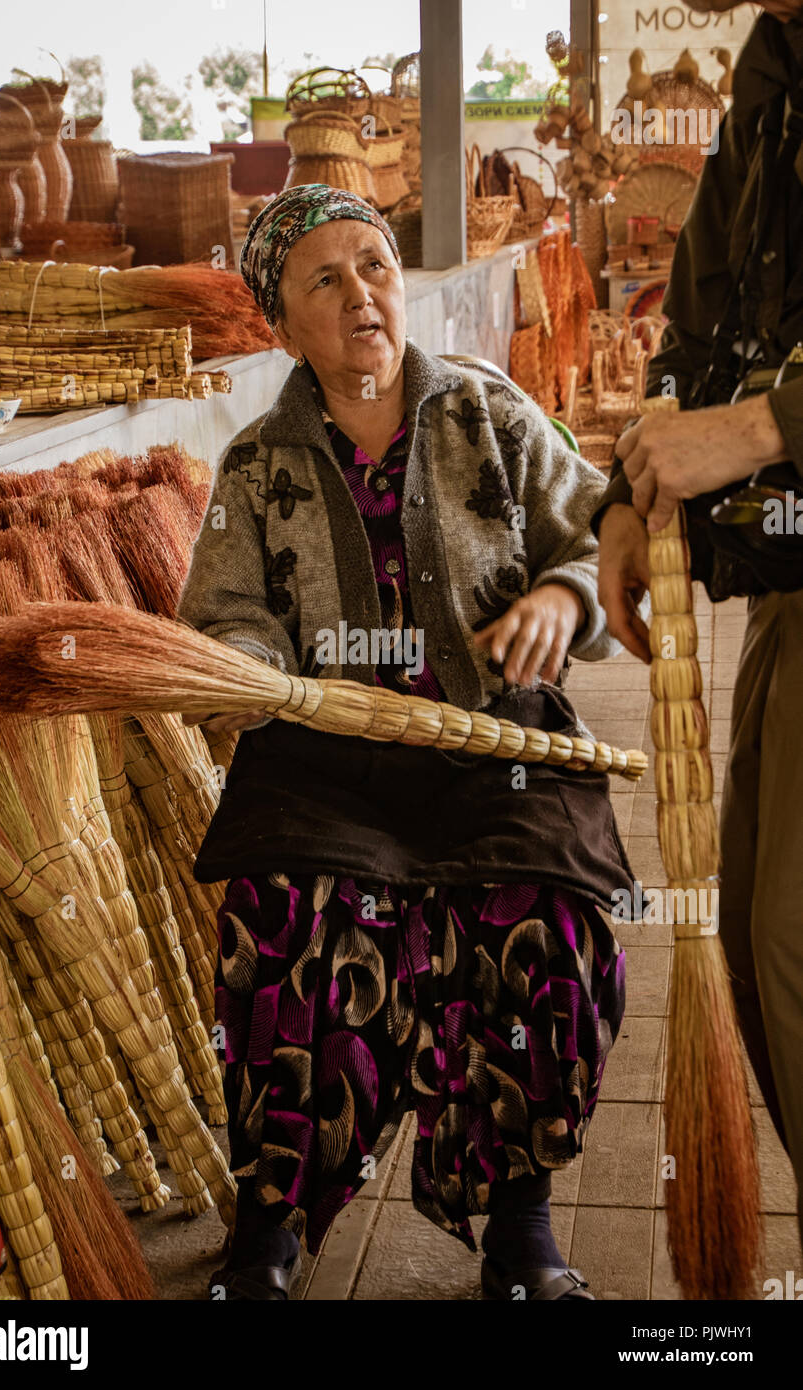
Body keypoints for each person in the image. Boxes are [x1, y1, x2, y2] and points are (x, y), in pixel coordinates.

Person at [177, 184, 636, 1301]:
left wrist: (565, 601)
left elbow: (596, 529)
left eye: (374, 265)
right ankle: (270, 1229)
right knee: (285, 916)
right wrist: (250, 672)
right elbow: (224, 607)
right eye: (322, 281)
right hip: (328, 759)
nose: (360, 295)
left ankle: (520, 1225)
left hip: (495, 743)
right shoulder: (255, 464)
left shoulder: (488, 414)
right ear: (282, 323)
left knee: (548, 913)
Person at [595, 0, 803, 1247]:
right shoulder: (772, 72)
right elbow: (694, 321)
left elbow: (746, 401)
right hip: (791, 574)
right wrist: (639, 483)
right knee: (762, 953)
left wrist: (765, 426)